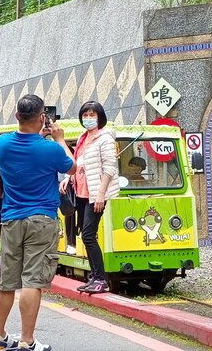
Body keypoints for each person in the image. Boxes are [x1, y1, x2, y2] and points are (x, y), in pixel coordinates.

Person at [0, 94, 75, 351]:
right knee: (32, 281)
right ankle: (27, 340)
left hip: (11, 219)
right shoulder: (49, 149)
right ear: (42, 118)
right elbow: (71, 167)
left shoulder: (2, 144)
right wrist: (59, 138)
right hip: (42, 220)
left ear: (17, 116)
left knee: (7, 281)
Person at [71, 101, 119, 294]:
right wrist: (68, 178)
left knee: (89, 235)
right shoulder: (84, 138)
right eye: (85, 115)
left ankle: (101, 279)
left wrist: (101, 194)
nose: (88, 118)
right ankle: (94, 277)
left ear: (100, 117)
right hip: (82, 192)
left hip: (95, 194)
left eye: (92, 115)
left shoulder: (105, 138)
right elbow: (80, 163)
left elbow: (109, 167)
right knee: (86, 234)